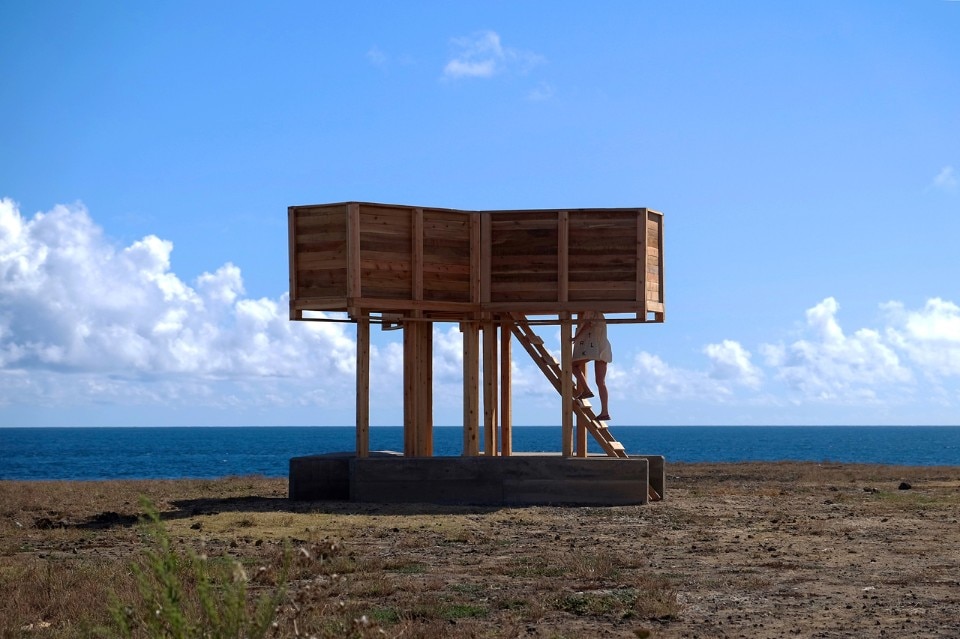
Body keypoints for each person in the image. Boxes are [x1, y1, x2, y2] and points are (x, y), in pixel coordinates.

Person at [571, 311, 613, 421]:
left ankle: (586, 390)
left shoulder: (591, 311)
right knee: (601, 382)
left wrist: (575, 338)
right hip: (604, 347)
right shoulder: (600, 314)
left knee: (573, 365)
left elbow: (587, 325)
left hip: (595, 347)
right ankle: (605, 412)